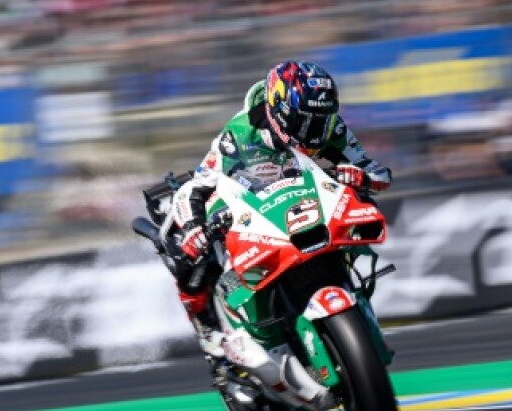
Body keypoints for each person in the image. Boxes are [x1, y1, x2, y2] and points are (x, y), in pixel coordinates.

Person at [162, 61, 392, 357]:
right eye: (305, 121)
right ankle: (206, 325)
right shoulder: (240, 132)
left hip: (307, 202)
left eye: (322, 120)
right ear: (280, 111)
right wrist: (195, 229)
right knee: (186, 250)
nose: (316, 131)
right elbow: (196, 186)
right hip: (247, 204)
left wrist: (359, 176)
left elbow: (378, 173)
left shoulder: (333, 128)